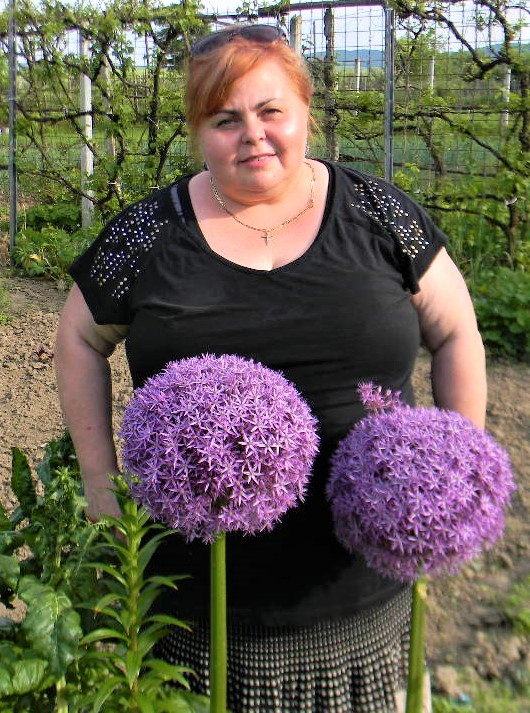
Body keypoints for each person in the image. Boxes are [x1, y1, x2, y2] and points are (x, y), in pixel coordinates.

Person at [54, 24, 487, 713]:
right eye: (225, 119)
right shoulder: (148, 234)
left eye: (270, 111)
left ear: (306, 111)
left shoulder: (380, 215)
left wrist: (456, 471)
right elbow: (78, 337)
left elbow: (456, 330)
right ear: (199, 131)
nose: (252, 134)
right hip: (197, 611)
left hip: (366, 600)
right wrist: (100, 486)